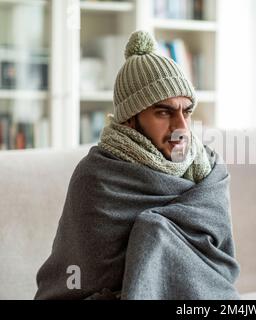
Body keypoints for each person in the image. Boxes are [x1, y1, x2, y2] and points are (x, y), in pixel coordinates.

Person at [34, 30, 240, 300]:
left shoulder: (209, 170)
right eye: (164, 112)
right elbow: (78, 280)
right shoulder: (97, 177)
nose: (181, 126)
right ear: (130, 119)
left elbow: (220, 266)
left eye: (186, 111)